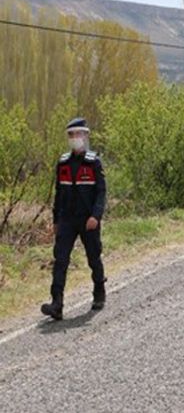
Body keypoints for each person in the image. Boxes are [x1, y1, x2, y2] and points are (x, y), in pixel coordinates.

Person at [41, 118, 107, 320]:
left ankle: (99, 292)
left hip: (88, 220)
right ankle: (57, 304)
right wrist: (55, 220)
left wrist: (96, 216)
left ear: (85, 136)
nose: (74, 138)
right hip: (67, 220)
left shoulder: (93, 162)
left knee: (93, 257)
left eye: (78, 134)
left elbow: (101, 193)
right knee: (60, 260)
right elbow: (58, 194)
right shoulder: (62, 164)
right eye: (71, 135)